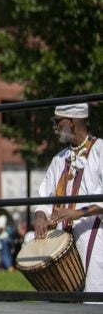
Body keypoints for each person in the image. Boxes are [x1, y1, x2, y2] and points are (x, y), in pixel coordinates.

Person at [34, 103, 103, 292]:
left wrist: (77, 213)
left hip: (94, 235)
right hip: (62, 238)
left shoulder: (100, 150)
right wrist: (40, 217)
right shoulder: (58, 159)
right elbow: (44, 196)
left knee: (94, 292)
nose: (55, 127)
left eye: (57, 122)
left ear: (71, 122)